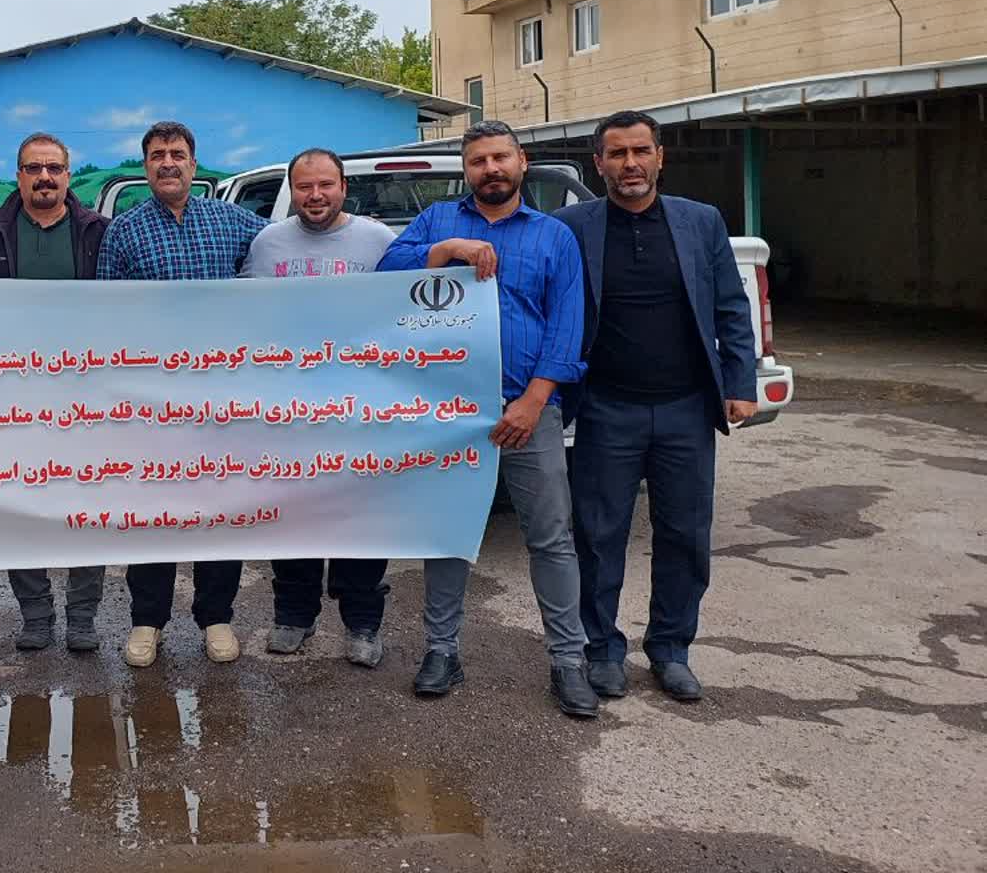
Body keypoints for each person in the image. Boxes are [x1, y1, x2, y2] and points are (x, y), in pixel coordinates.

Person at [376, 119, 598, 718]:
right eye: (478, 160)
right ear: (466, 169)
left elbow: (567, 325)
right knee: (449, 534)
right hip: (447, 411)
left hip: (528, 409)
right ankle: (441, 650)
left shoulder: (554, 236)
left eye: (500, 157)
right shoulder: (436, 222)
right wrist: (444, 253)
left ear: (522, 162)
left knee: (550, 537)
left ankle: (568, 661)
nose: (490, 169)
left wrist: (534, 401)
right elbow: (384, 276)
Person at [556, 111, 757, 704]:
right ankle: (602, 649)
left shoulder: (701, 222)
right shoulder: (572, 226)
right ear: (598, 163)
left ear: (660, 156)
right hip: (605, 410)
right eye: (617, 154)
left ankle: (671, 649)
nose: (630, 164)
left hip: (686, 410)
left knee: (685, 534)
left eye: (640, 151)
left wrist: (739, 381)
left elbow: (731, 308)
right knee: (598, 536)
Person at [97, 120, 268, 668]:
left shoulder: (235, 222)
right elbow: (106, 316)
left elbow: (288, 258)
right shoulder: (124, 232)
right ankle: (148, 620)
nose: (167, 163)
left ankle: (216, 617)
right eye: (156, 155)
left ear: (194, 164)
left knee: (220, 509)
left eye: (176, 153)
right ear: (145, 166)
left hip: (222, 399)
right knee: (154, 511)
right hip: (153, 401)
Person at [240, 148, 396, 668]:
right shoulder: (268, 244)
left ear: (344, 188)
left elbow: (409, 310)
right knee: (294, 516)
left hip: (361, 409)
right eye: (304, 186)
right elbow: (245, 318)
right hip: (289, 411)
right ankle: (293, 616)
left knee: (363, 518)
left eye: (325, 185)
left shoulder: (379, 240)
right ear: (293, 191)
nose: (315, 195)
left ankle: (363, 624)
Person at [0, 132, 111, 652]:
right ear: (19, 175)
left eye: (54, 168)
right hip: (12, 397)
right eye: (34, 168)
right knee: (20, 504)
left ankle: (82, 616)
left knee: (89, 504)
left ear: (68, 175)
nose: (44, 177)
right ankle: (35, 614)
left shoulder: (98, 231)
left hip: (88, 397)